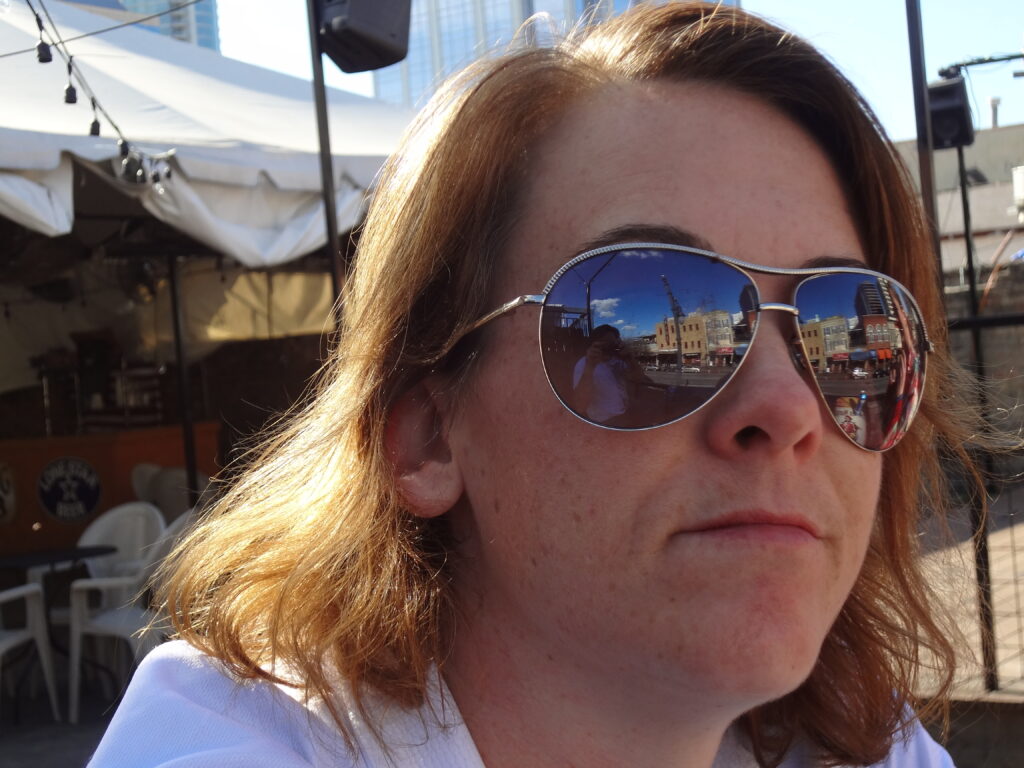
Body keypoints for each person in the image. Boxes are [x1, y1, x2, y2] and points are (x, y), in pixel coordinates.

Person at [90, 4, 991, 767]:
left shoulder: (861, 743)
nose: (790, 409)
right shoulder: (228, 742)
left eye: (849, 331)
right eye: (648, 324)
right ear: (427, 436)